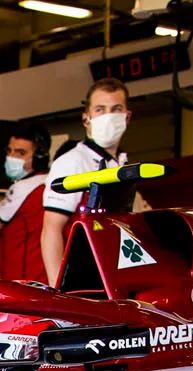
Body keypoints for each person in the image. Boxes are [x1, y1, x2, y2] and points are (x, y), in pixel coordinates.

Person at [42, 78, 132, 285]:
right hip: (81, 281)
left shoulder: (123, 164)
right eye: (100, 109)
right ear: (86, 119)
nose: (108, 116)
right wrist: (59, 291)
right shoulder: (72, 163)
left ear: (127, 117)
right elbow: (51, 229)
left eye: (116, 108)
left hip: (116, 276)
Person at [0, 129, 51, 283]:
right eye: (10, 151)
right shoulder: (49, 182)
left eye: (21, 153)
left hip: (21, 279)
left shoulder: (23, 187)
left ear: (39, 158)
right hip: (41, 277)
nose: (12, 157)